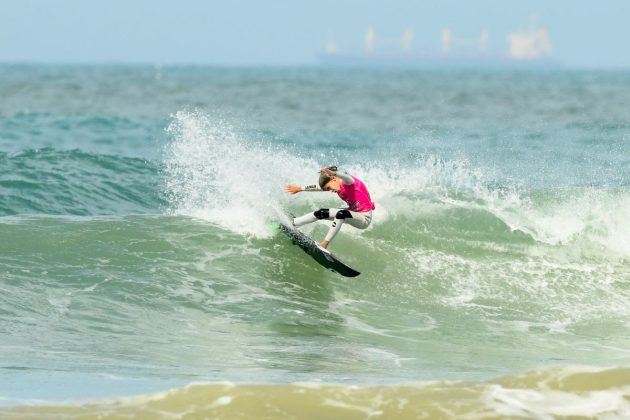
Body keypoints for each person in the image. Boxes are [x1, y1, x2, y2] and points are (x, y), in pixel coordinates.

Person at [285, 166, 375, 250]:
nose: (330, 191)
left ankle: (324, 244)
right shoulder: (336, 185)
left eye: (329, 188)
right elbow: (319, 187)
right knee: (321, 213)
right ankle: (293, 223)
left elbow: (346, 176)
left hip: (364, 218)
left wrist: (333, 172)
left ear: (333, 178)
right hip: (352, 212)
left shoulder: (349, 182)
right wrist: (300, 188)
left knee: (341, 214)